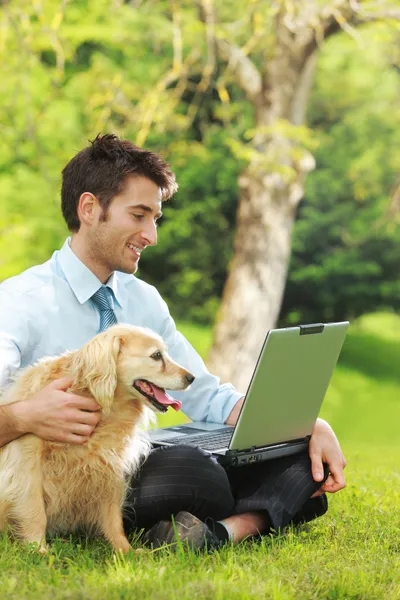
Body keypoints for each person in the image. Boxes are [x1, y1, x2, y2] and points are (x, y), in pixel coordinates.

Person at [0, 134, 346, 551]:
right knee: (193, 473)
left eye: (156, 219)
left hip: (128, 459)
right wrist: (23, 417)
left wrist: (307, 426)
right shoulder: (19, 303)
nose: (152, 235)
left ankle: (221, 531)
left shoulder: (143, 300)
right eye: (139, 215)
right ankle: (248, 512)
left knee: (297, 461)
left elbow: (206, 395)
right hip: (57, 477)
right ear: (90, 208)